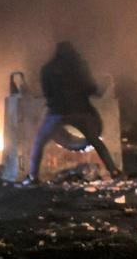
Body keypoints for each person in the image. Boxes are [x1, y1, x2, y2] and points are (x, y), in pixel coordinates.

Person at [19, 41, 121, 186]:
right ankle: (114, 171)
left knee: (39, 142)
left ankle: (32, 177)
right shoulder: (81, 67)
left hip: (57, 113)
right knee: (95, 141)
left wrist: (54, 102)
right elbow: (91, 88)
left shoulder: (48, 68)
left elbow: (47, 92)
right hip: (82, 111)